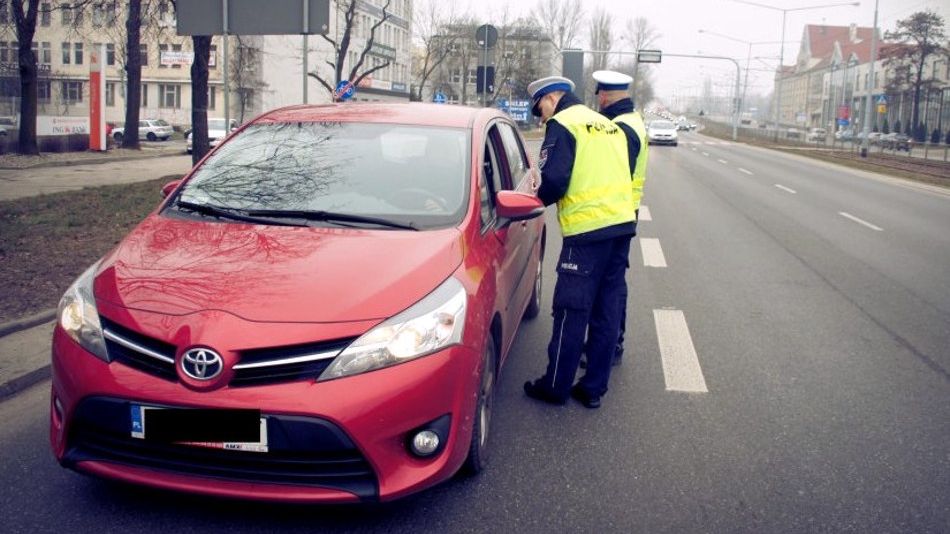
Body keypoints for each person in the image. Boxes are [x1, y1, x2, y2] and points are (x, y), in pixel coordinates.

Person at [522, 76, 638, 409]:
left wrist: (530, 202)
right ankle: (593, 388)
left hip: (587, 231)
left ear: (551, 98)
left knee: (571, 310)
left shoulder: (563, 123)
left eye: (540, 109)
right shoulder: (607, 125)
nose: (541, 117)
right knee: (606, 309)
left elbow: (554, 180)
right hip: (621, 226)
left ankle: (555, 387)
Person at [588, 69, 649, 368]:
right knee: (612, 282)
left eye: (600, 94)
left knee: (608, 286)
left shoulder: (621, 129)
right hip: (623, 212)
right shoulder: (631, 121)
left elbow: (613, 173)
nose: (599, 100)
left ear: (604, 96)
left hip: (615, 214)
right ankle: (610, 342)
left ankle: (609, 344)